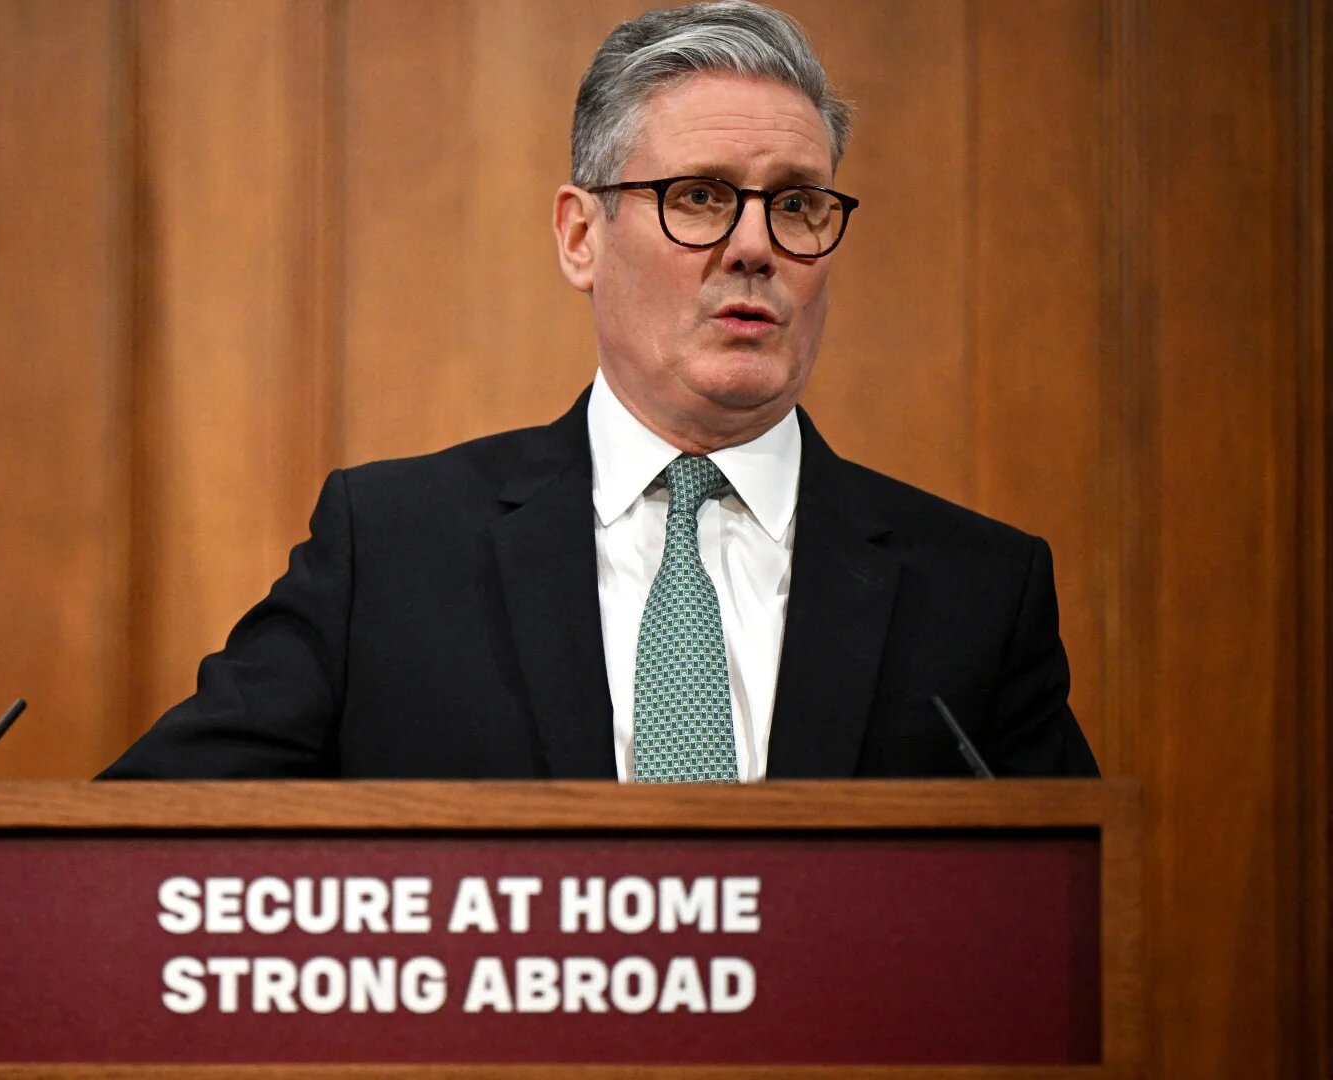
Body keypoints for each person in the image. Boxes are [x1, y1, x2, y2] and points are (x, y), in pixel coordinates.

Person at [101, 0, 1097, 781]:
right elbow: (143, 840)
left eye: (797, 203)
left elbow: (1070, 923)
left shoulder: (975, 592)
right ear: (581, 236)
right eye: (700, 196)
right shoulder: (393, 552)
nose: (756, 246)